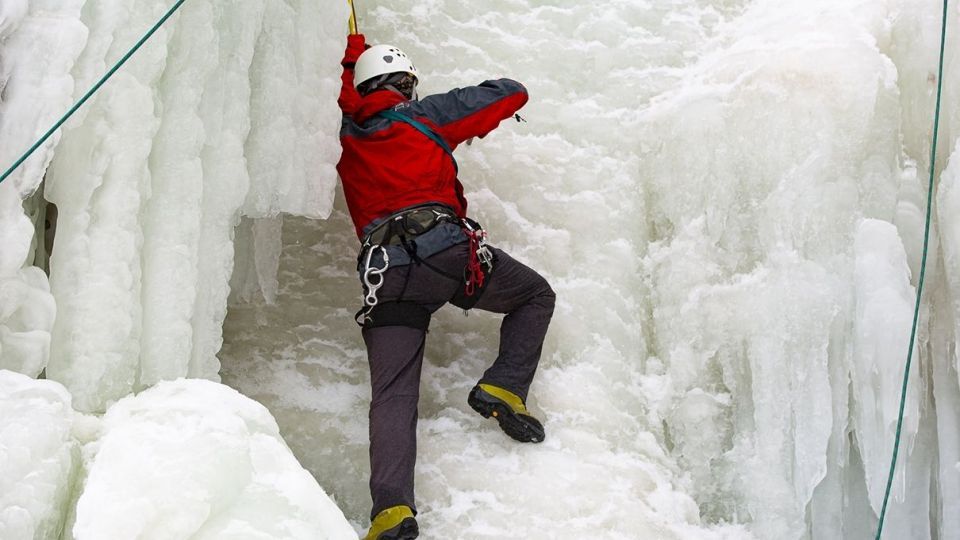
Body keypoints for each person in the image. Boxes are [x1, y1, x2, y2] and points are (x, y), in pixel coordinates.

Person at [337, 33, 556, 540]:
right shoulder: (425, 115)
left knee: (392, 395)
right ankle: (505, 385)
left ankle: (391, 512)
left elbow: (354, 103)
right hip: (444, 254)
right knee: (533, 295)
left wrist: (351, 61)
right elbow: (509, 93)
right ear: (406, 86)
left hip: (384, 273)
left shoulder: (346, 135)